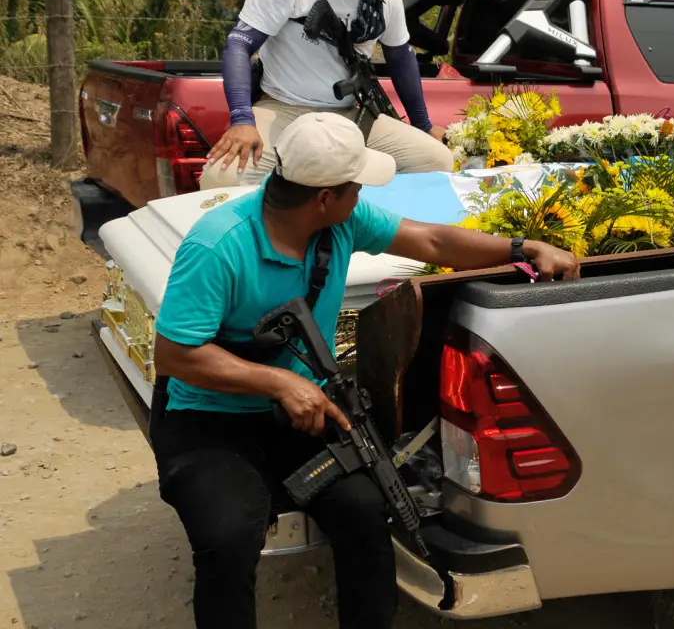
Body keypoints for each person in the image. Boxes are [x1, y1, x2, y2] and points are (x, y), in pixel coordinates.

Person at [152, 111, 579, 629]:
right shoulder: (219, 244)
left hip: (304, 419)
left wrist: (522, 249)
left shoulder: (343, 222)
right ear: (323, 197)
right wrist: (280, 381)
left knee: (365, 513)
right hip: (210, 419)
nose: (361, 195)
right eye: (354, 187)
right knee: (226, 540)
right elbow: (175, 354)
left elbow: (434, 243)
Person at [201, 0, 453, 190]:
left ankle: (364, 229)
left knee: (436, 162)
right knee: (222, 178)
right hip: (284, 109)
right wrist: (242, 120)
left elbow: (401, 60)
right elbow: (239, 45)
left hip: (353, 114)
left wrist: (423, 125)